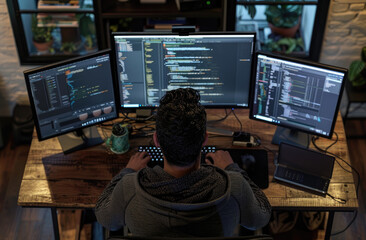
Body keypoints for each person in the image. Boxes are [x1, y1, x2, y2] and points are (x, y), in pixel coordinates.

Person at [95, 88, 271, 237]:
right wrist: (233, 168)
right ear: (205, 140)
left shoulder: (129, 188)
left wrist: (127, 172)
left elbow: (106, 219)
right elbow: (260, 219)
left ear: (156, 140)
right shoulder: (234, 186)